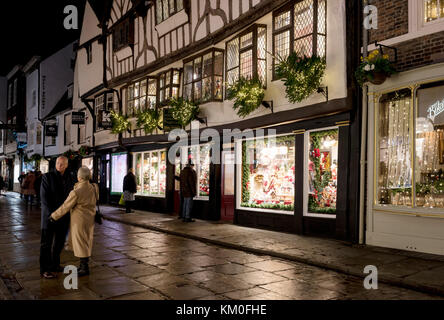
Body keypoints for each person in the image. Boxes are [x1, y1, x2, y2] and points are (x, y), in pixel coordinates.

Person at [50, 167, 98, 277]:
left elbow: (65, 207)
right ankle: (83, 265)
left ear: (79, 177)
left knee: (81, 243)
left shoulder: (76, 191)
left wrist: (53, 216)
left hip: (79, 220)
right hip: (90, 218)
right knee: (86, 241)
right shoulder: (94, 187)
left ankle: (84, 268)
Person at [39, 156, 77, 279]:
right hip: (50, 217)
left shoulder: (70, 178)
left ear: (66, 165)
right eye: (58, 163)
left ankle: (55, 265)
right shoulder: (47, 177)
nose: (59, 165)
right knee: (46, 244)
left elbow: (72, 197)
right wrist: (53, 215)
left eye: (62, 164)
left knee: (59, 243)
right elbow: (44, 199)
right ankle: (45, 269)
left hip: (64, 217)